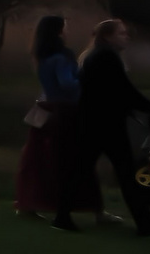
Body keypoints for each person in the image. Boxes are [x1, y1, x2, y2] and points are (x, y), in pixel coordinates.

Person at [75, 18, 150, 236]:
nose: (126, 37)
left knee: (81, 170)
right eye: (121, 33)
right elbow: (123, 91)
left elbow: (110, 92)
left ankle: (62, 216)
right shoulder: (107, 56)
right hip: (107, 126)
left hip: (93, 123)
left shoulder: (96, 56)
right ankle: (146, 225)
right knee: (127, 175)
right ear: (108, 36)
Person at [17, 17, 97, 224]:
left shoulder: (42, 57)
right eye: (65, 28)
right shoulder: (62, 57)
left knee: (37, 159)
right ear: (58, 32)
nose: (67, 32)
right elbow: (68, 84)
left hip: (46, 109)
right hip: (64, 111)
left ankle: (29, 202)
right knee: (64, 159)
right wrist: (85, 78)